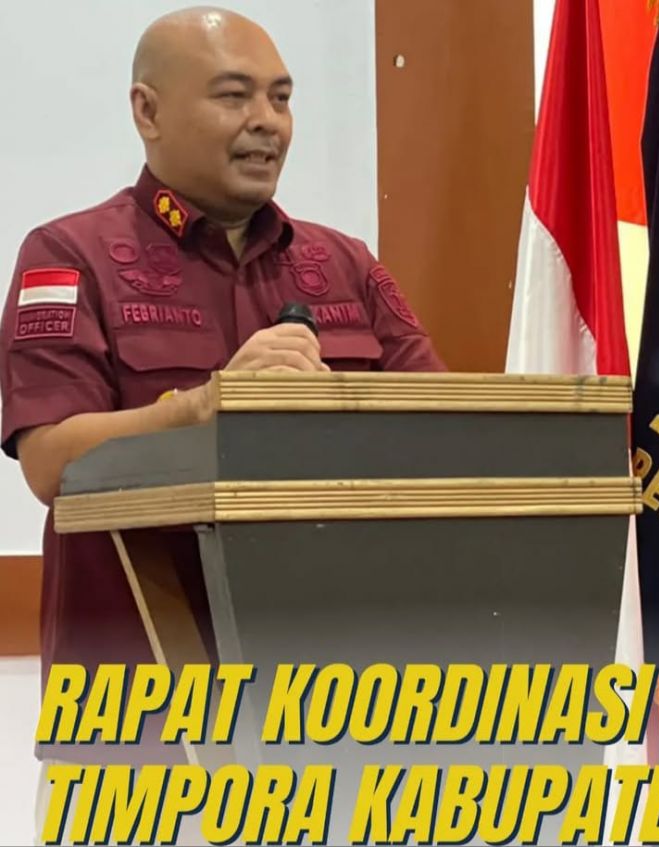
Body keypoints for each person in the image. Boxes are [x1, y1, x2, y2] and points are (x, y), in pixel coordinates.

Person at [0, 2, 445, 802]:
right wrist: (200, 408)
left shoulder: (345, 265)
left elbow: (448, 433)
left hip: (333, 728)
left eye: (282, 97)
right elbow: (50, 461)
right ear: (148, 111)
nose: (267, 121)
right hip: (134, 736)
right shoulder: (68, 257)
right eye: (235, 96)